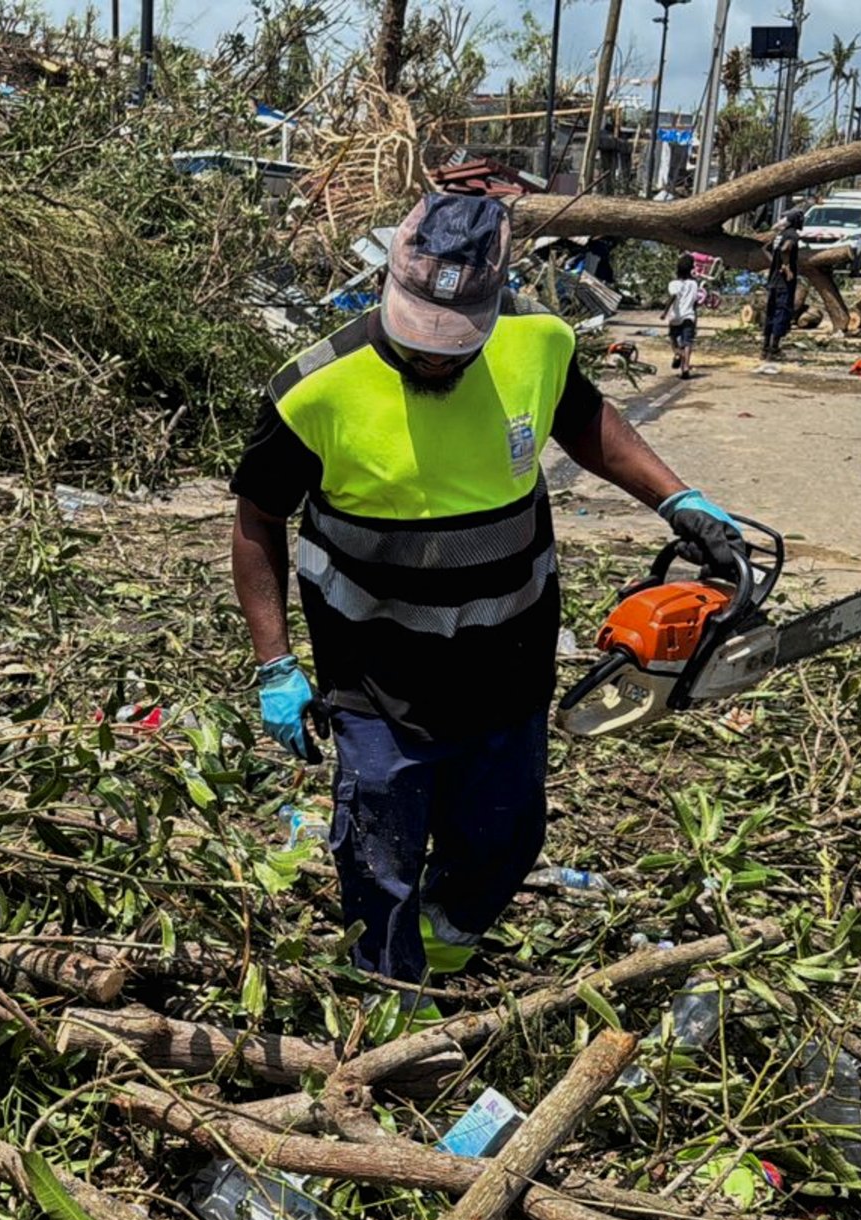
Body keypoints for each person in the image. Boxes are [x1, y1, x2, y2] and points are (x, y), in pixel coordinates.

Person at [228, 193, 746, 1004]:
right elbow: (258, 518)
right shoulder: (315, 390)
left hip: (508, 656)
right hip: (375, 673)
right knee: (378, 856)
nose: (434, 360)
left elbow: (585, 422)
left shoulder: (537, 342)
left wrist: (678, 499)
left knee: (505, 836)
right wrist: (274, 663)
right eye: (418, 342)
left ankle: (445, 947)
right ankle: (389, 1009)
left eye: (453, 347)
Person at [762, 209, 803, 361]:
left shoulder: (779, 235)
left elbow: (765, 248)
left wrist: (774, 262)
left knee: (770, 312)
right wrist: (786, 266)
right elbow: (786, 248)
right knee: (782, 311)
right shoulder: (792, 234)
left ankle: (765, 348)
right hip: (784, 282)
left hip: (773, 280)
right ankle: (774, 348)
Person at [665, 254, 703, 380]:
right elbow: (695, 302)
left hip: (676, 317)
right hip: (689, 317)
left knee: (673, 338)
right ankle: (685, 367)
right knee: (687, 342)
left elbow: (673, 297)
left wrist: (664, 312)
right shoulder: (694, 284)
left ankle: (677, 353)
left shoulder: (673, 283)